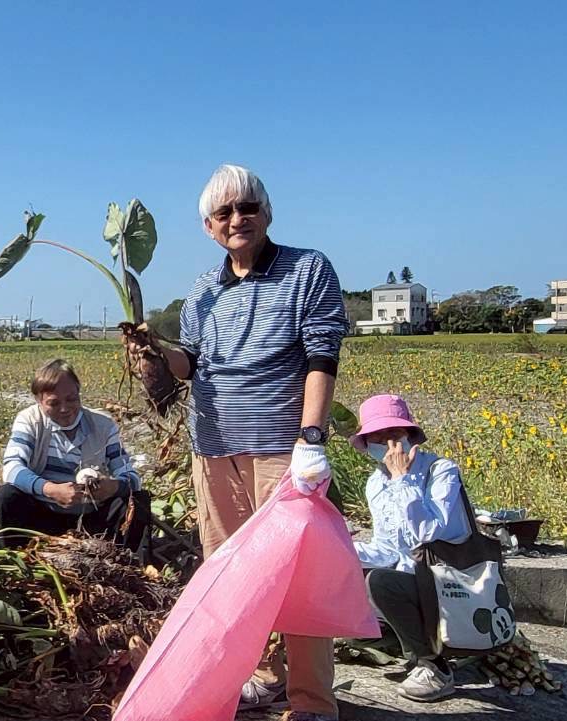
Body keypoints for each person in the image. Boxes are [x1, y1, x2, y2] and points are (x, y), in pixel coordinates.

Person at [125, 164, 350, 721]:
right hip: (214, 447)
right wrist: (156, 349)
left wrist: (312, 438)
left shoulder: (307, 269)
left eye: (247, 207)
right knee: (233, 570)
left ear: (267, 213)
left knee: (298, 575)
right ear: (208, 226)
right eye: (224, 212)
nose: (237, 219)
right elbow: (192, 365)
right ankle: (267, 676)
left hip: (282, 447)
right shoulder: (204, 288)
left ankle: (313, 701)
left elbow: (323, 356)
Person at [351, 394, 473, 702]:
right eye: (377, 438)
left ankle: (435, 667)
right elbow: (387, 549)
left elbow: (428, 534)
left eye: (394, 435)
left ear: (410, 437)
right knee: (347, 574)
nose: (388, 445)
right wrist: (342, 550)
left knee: (381, 582)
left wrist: (403, 480)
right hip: (414, 578)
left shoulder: (440, 471)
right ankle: (410, 643)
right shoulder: (375, 483)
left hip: (451, 579)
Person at [0, 359, 150, 550]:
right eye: (53, 403)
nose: (65, 409)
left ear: (78, 392)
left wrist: (114, 486)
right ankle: (17, 555)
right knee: (7, 496)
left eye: (71, 399)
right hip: (42, 516)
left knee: (138, 499)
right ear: (38, 401)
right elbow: (11, 469)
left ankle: (133, 563)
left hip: (91, 517)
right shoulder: (29, 421)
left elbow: (132, 476)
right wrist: (50, 490)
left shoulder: (104, 425)